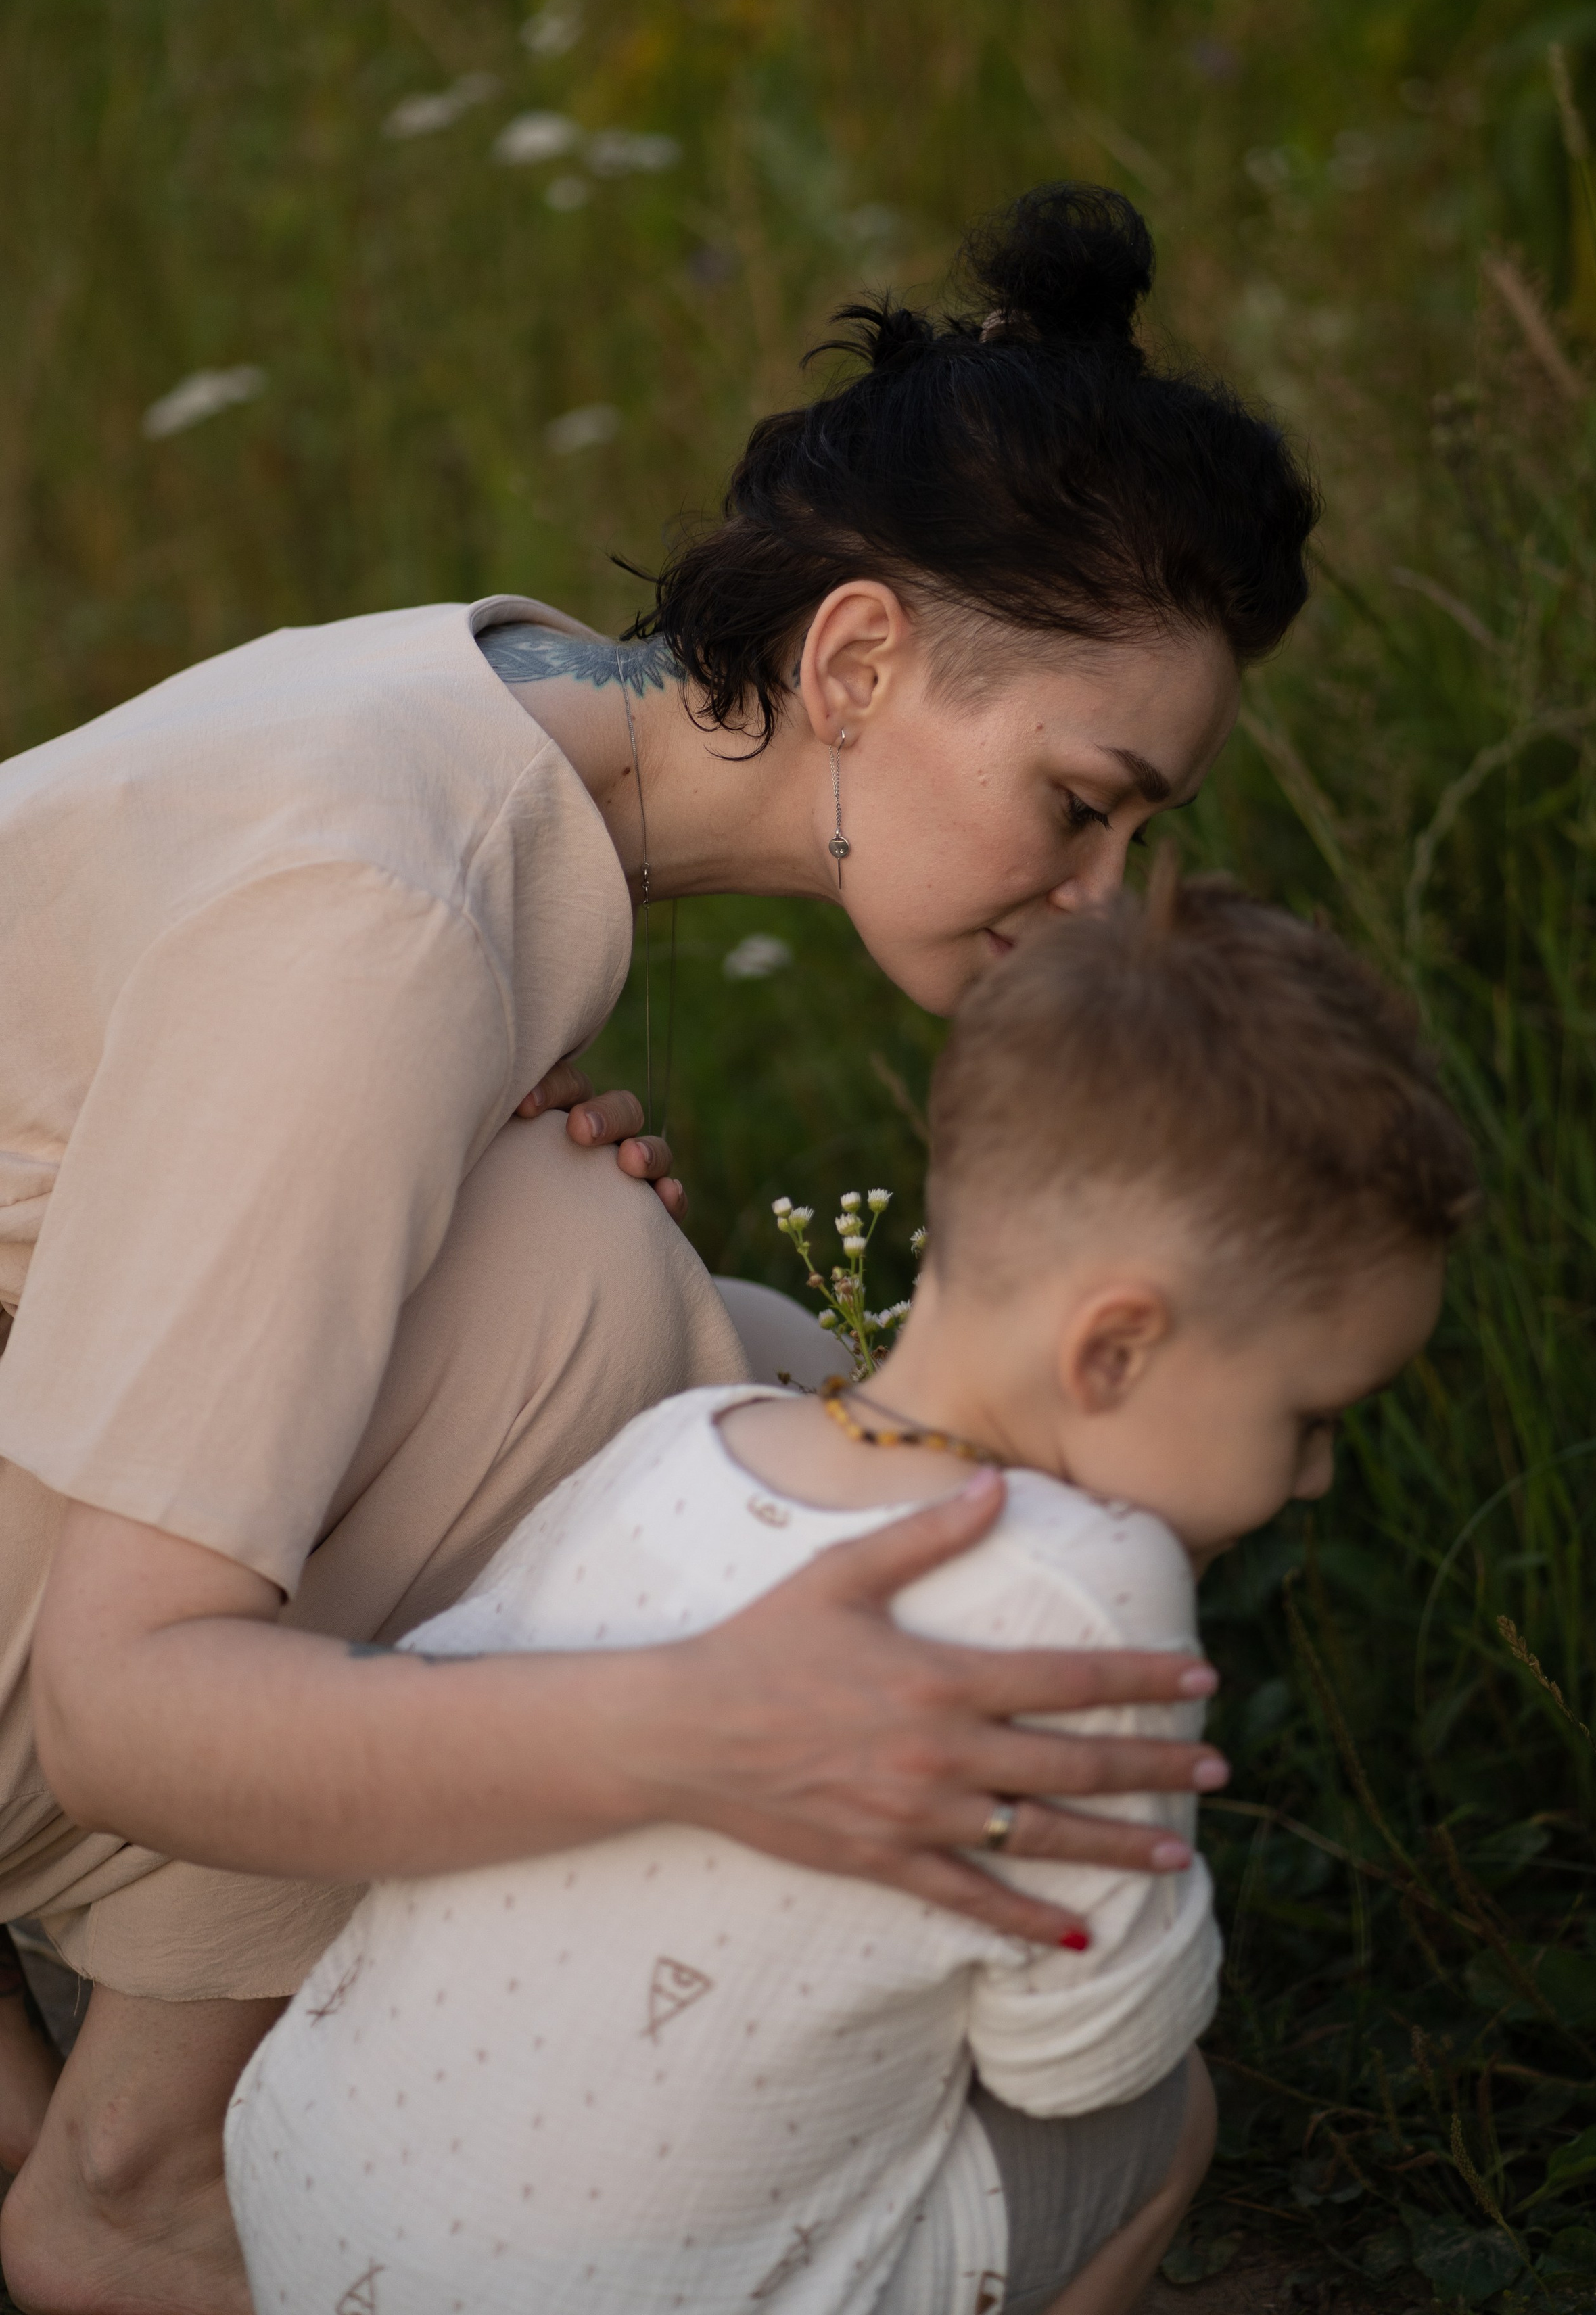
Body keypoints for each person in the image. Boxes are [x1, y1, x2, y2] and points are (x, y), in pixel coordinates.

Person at [0, 185, 1316, 2314]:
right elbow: (119, 1713)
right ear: (862, 657)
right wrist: (699, 1727)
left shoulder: (493, 704)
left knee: (765, 1374)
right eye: (1085, 804)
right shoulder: (386, 909)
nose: (1100, 902)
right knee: (584, 1303)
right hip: (69, 1664)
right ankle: (145, 2181)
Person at [226, 870, 1475, 2315]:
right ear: (1113, 1353)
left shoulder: (678, 1439)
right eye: (1306, 1418)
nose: (1314, 1478)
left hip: (309, 2215)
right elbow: (1087, 2054)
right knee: (1162, 2118)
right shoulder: (1089, 1580)